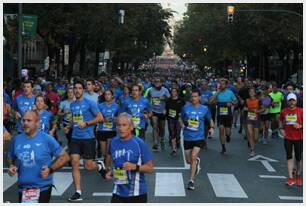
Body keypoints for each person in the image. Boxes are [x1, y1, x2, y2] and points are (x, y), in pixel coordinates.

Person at [7, 110, 70, 203]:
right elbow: (10, 157)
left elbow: (65, 157)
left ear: (37, 123)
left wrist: (50, 169)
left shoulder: (47, 139)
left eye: (29, 120)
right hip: (22, 188)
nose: (25, 123)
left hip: (42, 188)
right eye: (23, 120)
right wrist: (11, 166)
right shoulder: (17, 139)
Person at [68, 80, 105, 202]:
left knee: (88, 166)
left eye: (79, 88)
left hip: (88, 138)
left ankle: (99, 166)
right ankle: (78, 192)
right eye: (75, 88)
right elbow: (75, 121)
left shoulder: (90, 103)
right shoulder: (72, 105)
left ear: (83, 90)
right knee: (74, 162)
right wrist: (69, 125)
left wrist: (87, 123)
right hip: (75, 138)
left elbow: (100, 118)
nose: (77, 90)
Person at [105, 113, 154, 203]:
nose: (121, 128)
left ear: (131, 127)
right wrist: (110, 172)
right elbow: (117, 163)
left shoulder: (139, 143)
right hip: (118, 192)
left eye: (124, 125)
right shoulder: (113, 142)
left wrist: (135, 167)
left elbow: (150, 168)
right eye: (119, 125)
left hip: (137, 193)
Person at [180, 89, 214, 190]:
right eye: (192, 97)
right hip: (187, 136)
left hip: (199, 137)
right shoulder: (185, 108)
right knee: (188, 160)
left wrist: (212, 128)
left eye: (195, 97)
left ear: (199, 98)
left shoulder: (205, 109)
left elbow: (210, 119)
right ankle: (195, 163)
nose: (194, 99)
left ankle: (191, 181)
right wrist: (182, 124)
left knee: (194, 156)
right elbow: (180, 118)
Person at [279, 93, 303, 186]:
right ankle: (290, 178)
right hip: (288, 137)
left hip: (299, 137)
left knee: (298, 158)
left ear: (296, 101)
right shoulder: (284, 111)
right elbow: (281, 121)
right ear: (287, 101)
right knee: (289, 157)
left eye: (293, 100)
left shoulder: (301, 111)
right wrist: (281, 129)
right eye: (290, 100)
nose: (292, 102)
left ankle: (298, 176)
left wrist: (301, 126)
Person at [209, 79, 237, 154]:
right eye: (221, 84)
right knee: (221, 129)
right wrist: (217, 92)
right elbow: (210, 101)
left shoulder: (230, 92)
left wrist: (231, 103)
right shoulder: (216, 92)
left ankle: (228, 136)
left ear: (226, 85)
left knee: (228, 132)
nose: (222, 85)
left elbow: (236, 102)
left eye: (223, 84)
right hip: (220, 114)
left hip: (228, 114)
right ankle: (223, 147)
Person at [148, 78, 170, 151]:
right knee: (154, 126)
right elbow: (148, 99)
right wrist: (149, 109)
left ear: (161, 83)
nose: (157, 83)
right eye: (155, 82)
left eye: (158, 82)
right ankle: (155, 143)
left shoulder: (165, 90)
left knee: (162, 128)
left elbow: (170, 99)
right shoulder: (150, 90)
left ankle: (162, 139)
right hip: (154, 111)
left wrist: (164, 98)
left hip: (162, 111)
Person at [97, 89, 120, 161]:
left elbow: (120, 118)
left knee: (108, 152)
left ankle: (107, 168)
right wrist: (103, 119)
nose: (107, 96)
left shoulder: (117, 106)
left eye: (109, 94)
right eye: (106, 94)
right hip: (102, 131)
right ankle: (106, 164)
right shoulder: (99, 106)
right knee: (104, 153)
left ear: (112, 96)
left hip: (112, 131)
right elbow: (96, 118)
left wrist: (115, 119)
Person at [166, 88, 184, 156]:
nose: (173, 93)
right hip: (170, 118)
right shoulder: (168, 100)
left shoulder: (181, 100)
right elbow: (166, 109)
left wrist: (182, 114)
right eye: (172, 91)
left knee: (177, 134)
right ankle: (174, 150)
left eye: (174, 91)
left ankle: (178, 140)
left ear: (177, 92)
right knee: (172, 133)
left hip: (178, 119)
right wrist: (165, 111)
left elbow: (184, 108)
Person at [245, 88, 263, 156]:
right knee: (250, 133)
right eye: (250, 92)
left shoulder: (258, 101)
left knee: (256, 138)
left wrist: (257, 111)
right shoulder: (246, 100)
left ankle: (253, 143)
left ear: (255, 93)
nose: (251, 93)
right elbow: (244, 108)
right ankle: (252, 150)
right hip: (249, 118)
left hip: (256, 119)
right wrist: (246, 109)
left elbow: (263, 109)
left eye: (252, 92)